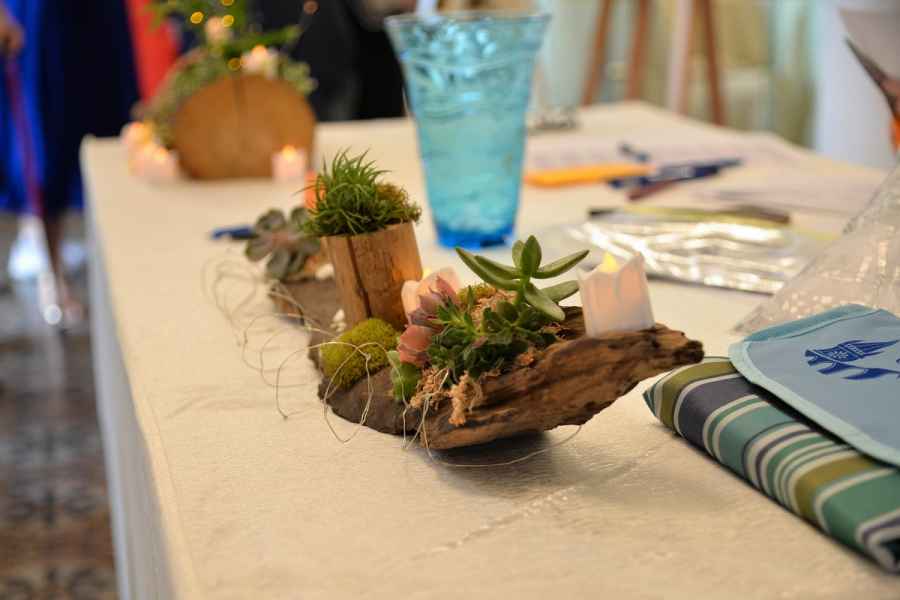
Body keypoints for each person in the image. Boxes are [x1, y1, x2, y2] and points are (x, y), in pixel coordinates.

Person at [0, 0, 139, 324]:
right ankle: (53, 273)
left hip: (98, 14)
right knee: (46, 141)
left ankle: (123, 272)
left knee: (111, 129)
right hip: (39, 13)